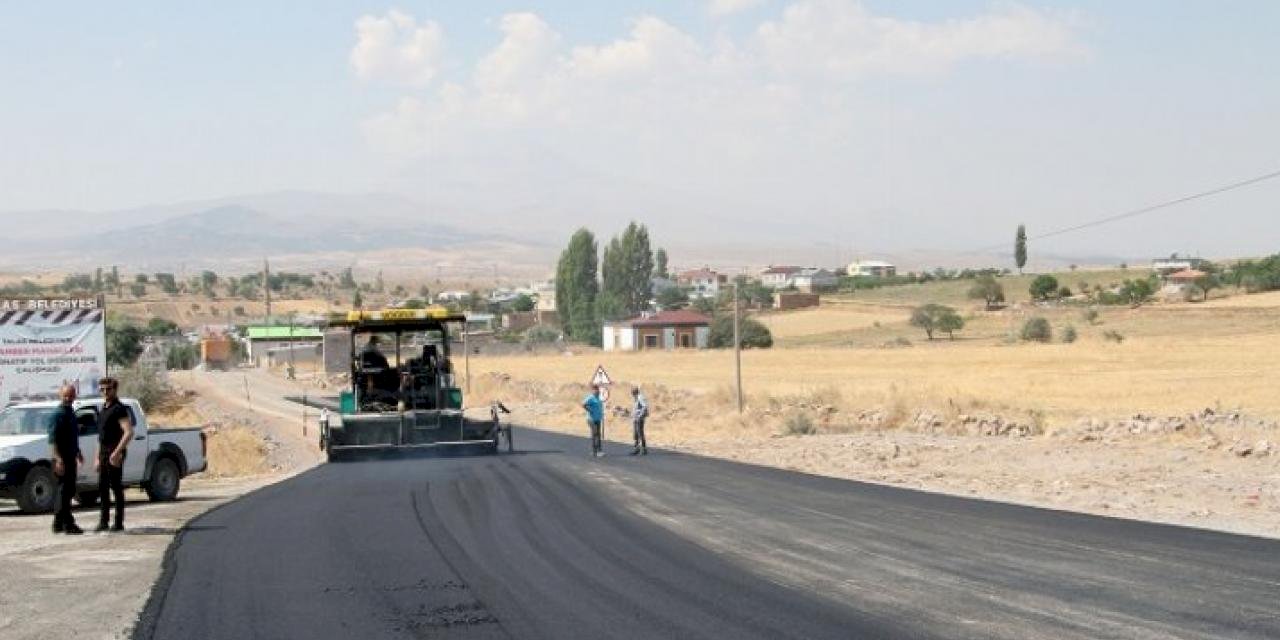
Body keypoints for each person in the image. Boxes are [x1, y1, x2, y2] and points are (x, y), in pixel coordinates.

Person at [94, 377, 133, 532]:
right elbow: (101, 437)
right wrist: (97, 457)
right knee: (102, 487)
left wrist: (117, 452)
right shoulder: (103, 408)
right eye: (102, 389)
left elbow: (128, 432)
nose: (105, 392)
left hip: (114, 452)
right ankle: (103, 522)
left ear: (115, 390)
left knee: (116, 487)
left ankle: (118, 523)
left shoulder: (119, 409)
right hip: (103, 452)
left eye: (108, 389)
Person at [48, 385, 84, 535]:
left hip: (70, 456)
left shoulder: (70, 412)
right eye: (65, 396)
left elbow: (72, 437)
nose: (68, 398)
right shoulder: (58, 414)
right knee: (64, 491)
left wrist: (78, 452)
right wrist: (58, 459)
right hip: (62, 458)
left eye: (71, 395)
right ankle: (68, 524)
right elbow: (53, 440)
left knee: (67, 491)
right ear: (60, 395)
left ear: (75, 396)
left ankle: (58, 523)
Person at [582, 384, 604, 457]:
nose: (597, 391)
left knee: (598, 434)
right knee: (595, 433)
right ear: (593, 390)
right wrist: (589, 410)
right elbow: (583, 404)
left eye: (597, 390)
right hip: (591, 419)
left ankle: (598, 450)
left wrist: (601, 414)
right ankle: (595, 451)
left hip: (598, 418)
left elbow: (600, 407)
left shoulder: (599, 398)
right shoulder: (590, 398)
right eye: (595, 390)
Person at [630, 387, 649, 456]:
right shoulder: (636, 398)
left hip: (639, 419)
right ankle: (637, 449)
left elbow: (645, 407)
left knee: (640, 433)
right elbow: (636, 408)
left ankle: (644, 449)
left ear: (635, 392)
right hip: (635, 418)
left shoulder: (640, 397)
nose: (632, 395)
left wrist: (640, 416)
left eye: (632, 393)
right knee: (635, 434)